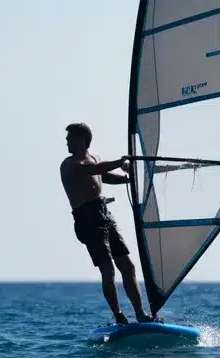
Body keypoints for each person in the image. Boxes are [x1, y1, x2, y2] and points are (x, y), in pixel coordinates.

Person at [59, 122, 153, 325]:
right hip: (87, 219)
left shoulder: (95, 158)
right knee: (108, 269)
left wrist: (127, 179)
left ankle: (141, 314)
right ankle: (118, 315)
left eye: (70, 138)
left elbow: (103, 176)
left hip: (104, 214)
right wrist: (120, 162)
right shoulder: (69, 164)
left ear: (83, 139)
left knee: (127, 266)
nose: (66, 142)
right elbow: (94, 170)